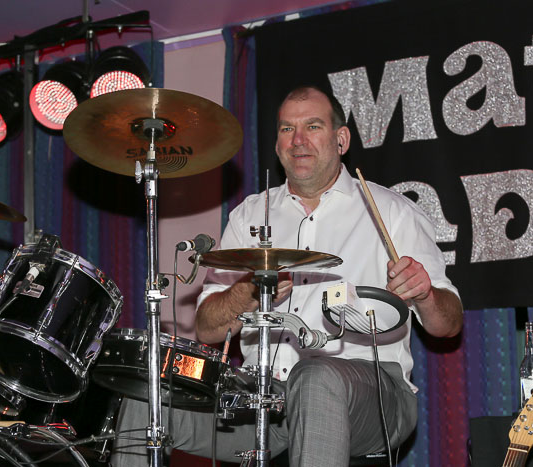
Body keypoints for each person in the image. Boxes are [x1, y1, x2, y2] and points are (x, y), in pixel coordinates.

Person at [111, 85, 462, 467]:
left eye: (313, 126)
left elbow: (449, 324)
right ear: (277, 144)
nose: (298, 140)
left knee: (314, 375)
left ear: (341, 139)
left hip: (371, 392)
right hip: (262, 391)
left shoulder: (392, 211)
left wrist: (425, 294)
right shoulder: (249, 214)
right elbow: (207, 329)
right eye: (286, 129)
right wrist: (248, 292)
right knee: (147, 389)